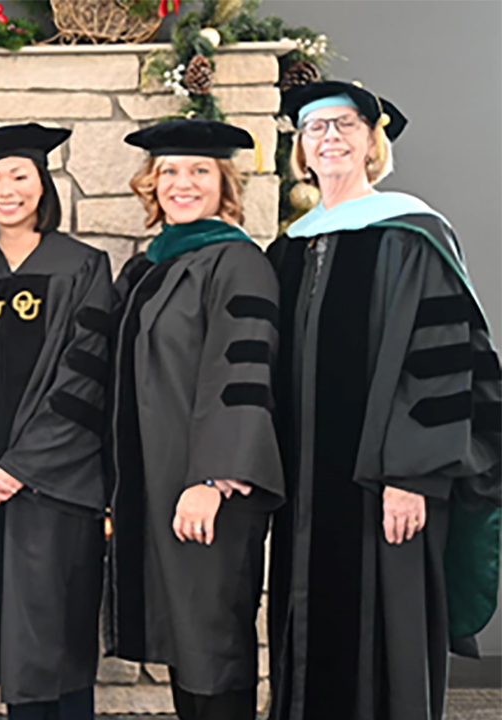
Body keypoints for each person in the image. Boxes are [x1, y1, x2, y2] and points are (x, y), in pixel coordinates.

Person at [267, 80, 501, 720]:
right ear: (301, 150)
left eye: (346, 126)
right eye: (316, 129)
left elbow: (443, 360)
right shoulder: (289, 247)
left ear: (374, 142)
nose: (331, 138)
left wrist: (412, 474)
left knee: (381, 627)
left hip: (383, 483)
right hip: (305, 490)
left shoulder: (411, 234)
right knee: (306, 618)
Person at [0, 124, 114, 720]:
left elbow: (87, 379)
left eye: (19, 177)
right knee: (6, 641)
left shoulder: (84, 266)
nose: (5, 191)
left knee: (55, 637)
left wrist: (23, 467)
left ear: (43, 183)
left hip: (55, 487)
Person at [104, 119, 283, 720]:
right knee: (188, 640)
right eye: (169, 172)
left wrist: (212, 480)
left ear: (224, 183)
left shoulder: (238, 263)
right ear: (151, 185)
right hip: (161, 484)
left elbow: (242, 374)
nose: (183, 183)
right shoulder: (146, 267)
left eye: (199, 171)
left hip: (210, 491)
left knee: (214, 639)